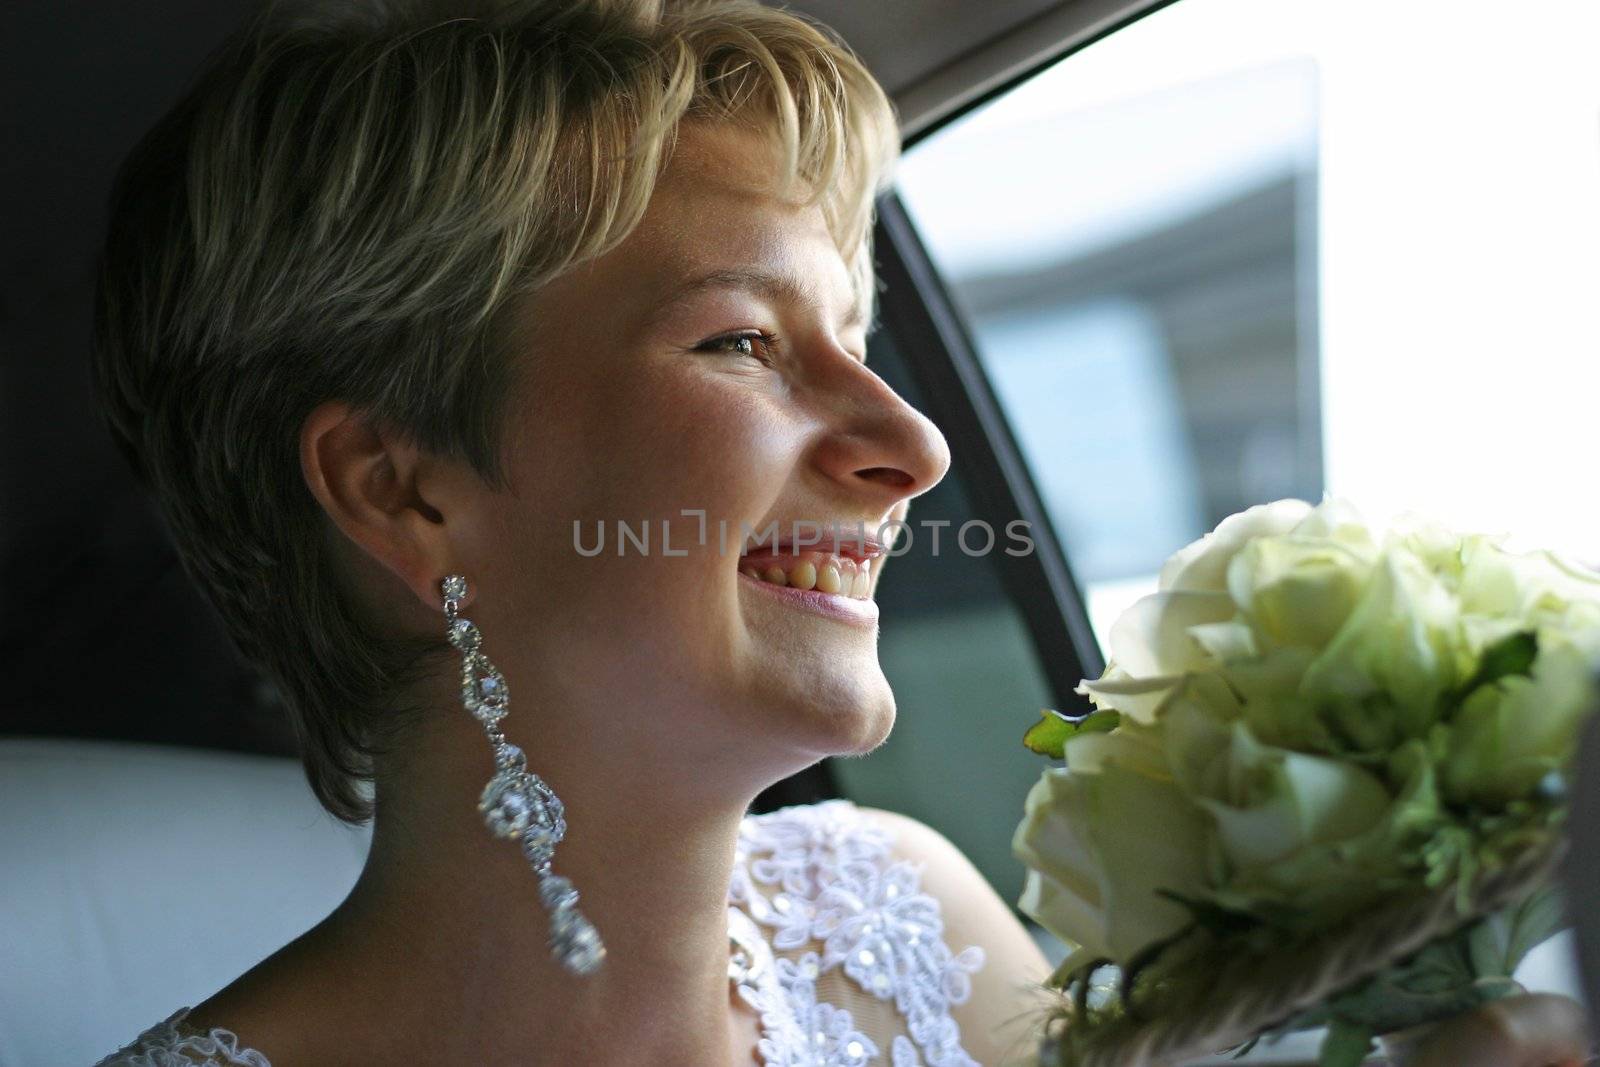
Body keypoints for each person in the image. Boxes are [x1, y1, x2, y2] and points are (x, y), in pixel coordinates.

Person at [85, 0, 1591, 1064]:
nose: (915, 446)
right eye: (742, 342)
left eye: (861, 337)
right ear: (403, 491)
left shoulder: (898, 914)